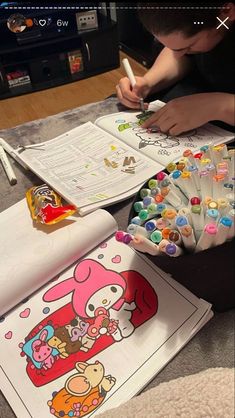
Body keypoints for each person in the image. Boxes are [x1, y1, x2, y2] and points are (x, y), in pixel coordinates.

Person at [116, 2, 235, 135]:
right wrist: (149, 82)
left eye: (189, 46)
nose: (177, 54)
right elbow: (181, 54)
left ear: (226, 11)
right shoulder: (208, 24)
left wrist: (219, 106)